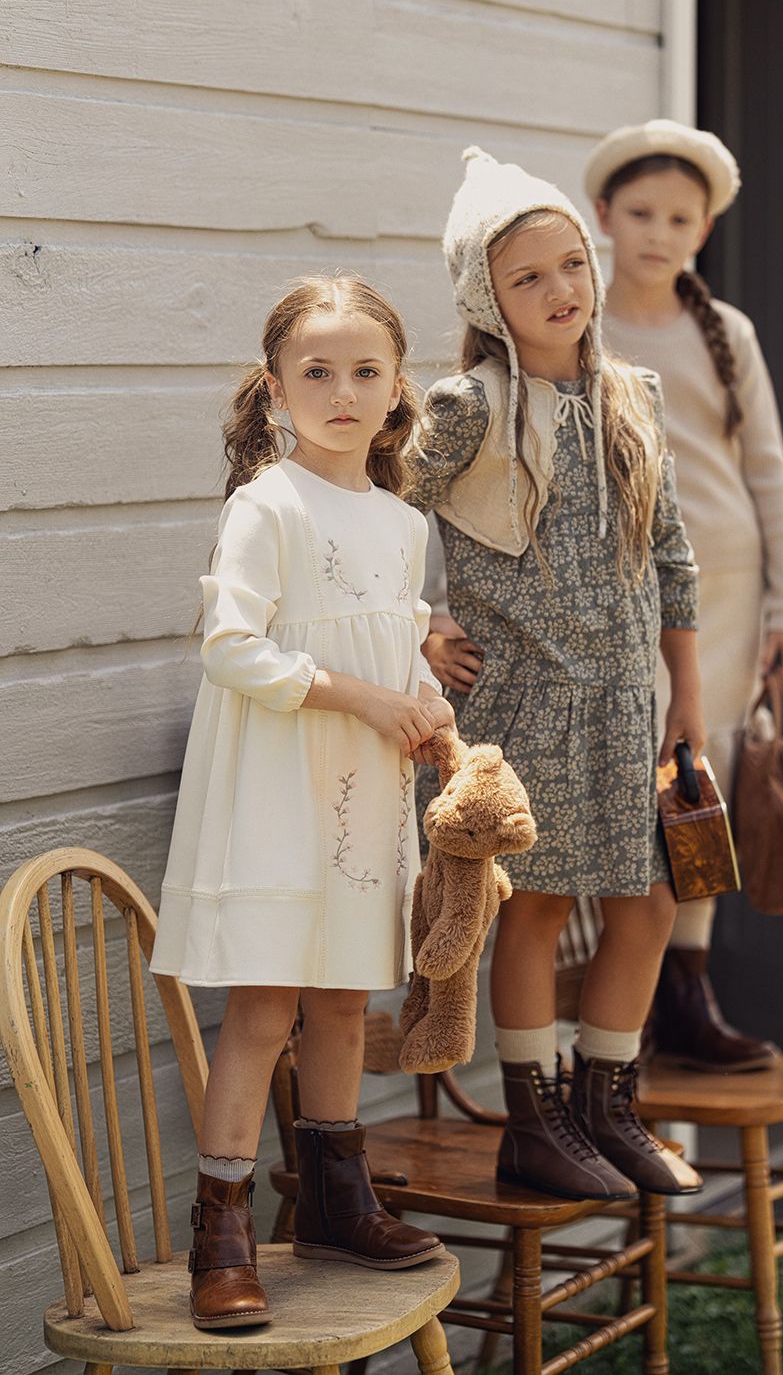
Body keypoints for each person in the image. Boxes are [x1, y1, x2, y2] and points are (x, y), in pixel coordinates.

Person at [151, 275, 453, 1331]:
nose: (341, 390)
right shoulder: (266, 504)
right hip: (277, 785)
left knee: (342, 999)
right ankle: (223, 1228)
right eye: (315, 372)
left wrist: (424, 706)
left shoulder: (403, 521)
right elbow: (233, 647)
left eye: (365, 370)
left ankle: (333, 1198)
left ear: (397, 388)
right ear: (276, 390)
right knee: (268, 1004)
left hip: (364, 791)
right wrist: (367, 696)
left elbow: (399, 633)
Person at [410, 147, 704, 1201]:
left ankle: (604, 1103)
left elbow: (672, 556)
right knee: (534, 904)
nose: (560, 291)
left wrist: (689, 713)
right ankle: (529, 1119)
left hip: (628, 703)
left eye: (571, 265)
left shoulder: (634, 396)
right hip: (522, 702)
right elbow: (377, 522)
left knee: (652, 901)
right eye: (528, 277)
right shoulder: (466, 407)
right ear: (486, 297)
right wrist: (420, 625)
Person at [584, 118, 783, 1071]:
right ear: (603, 213)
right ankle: (618, 1006)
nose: (658, 232)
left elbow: (769, 474)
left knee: (698, 782)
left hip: (725, 588)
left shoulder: (727, 334)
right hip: (618, 592)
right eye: (640, 212)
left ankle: (686, 986)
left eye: (681, 217)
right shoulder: (580, 321)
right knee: (629, 776)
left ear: (704, 229)